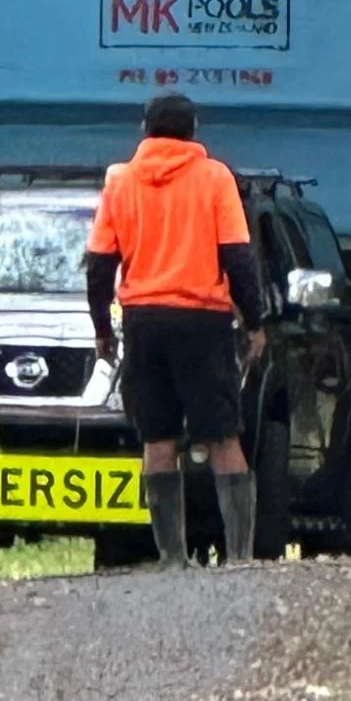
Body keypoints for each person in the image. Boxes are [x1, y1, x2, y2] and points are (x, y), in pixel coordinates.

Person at [86, 94, 266, 567]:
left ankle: (171, 556)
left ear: (145, 128)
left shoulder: (120, 182)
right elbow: (238, 257)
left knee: (158, 439)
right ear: (194, 129)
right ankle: (241, 555)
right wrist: (256, 320)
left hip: (144, 323)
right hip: (203, 324)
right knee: (223, 435)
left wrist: (103, 328)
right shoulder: (215, 178)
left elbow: (99, 265)